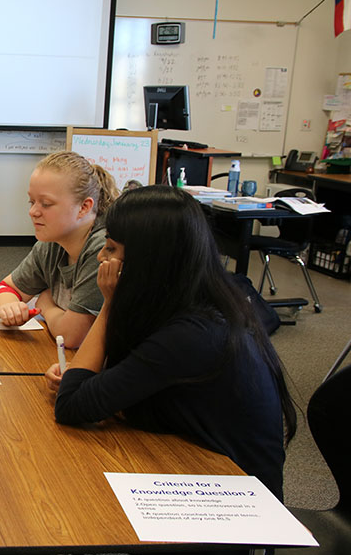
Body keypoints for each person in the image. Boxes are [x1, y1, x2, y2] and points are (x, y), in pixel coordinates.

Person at [46, 185, 297, 507]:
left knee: (63, 495)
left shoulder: (194, 332)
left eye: (110, 249)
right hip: (197, 466)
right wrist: (88, 377)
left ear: (147, 262)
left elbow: (71, 405)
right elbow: (114, 380)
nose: (100, 257)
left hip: (234, 507)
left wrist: (110, 303)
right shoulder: (188, 300)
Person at [0, 151, 119, 347]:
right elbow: (6, 288)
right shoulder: (51, 243)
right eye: (31, 202)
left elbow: (71, 336)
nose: (33, 212)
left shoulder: (103, 249)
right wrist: (8, 308)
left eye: (46, 204)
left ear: (84, 207)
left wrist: (46, 305)